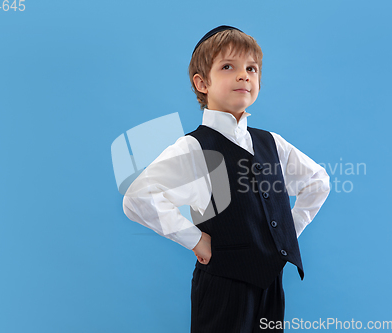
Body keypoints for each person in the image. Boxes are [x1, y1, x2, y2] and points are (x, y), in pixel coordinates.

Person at [123, 25, 330, 333]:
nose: (243, 75)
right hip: (222, 289)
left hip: (270, 286)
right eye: (228, 67)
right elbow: (138, 198)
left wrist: (285, 236)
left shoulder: (272, 143)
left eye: (251, 68)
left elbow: (318, 182)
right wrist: (194, 238)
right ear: (202, 82)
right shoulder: (194, 148)